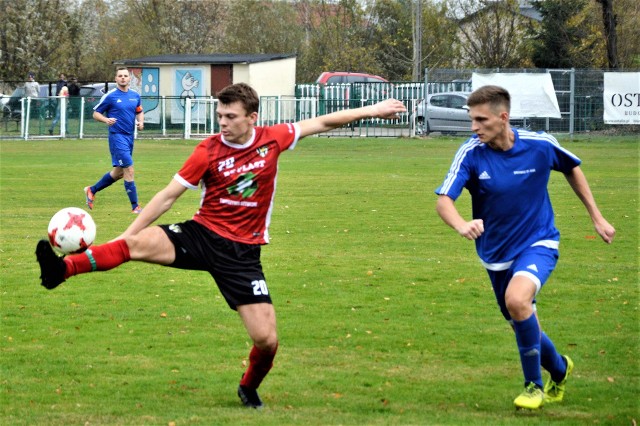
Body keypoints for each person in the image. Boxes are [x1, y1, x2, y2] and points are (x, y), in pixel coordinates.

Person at [36, 83, 406, 409]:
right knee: (134, 245)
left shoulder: (273, 138)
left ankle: (248, 387)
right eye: (220, 115)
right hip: (201, 235)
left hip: (243, 255)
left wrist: (372, 110)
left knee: (267, 340)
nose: (223, 123)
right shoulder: (208, 150)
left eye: (230, 116)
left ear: (252, 118)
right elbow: (167, 197)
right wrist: (126, 235)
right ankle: (60, 270)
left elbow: (323, 122)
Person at [434, 85, 615, 410]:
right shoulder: (471, 152)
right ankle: (559, 369)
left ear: (503, 117)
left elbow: (571, 167)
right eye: (471, 120)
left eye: (480, 120)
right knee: (518, 315)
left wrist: (597, 217)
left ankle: (534, 386)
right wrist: (462, 224)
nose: (474, 127)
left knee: (518, 301)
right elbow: (444, 200)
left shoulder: (539, 144)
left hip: (539, 241)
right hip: (495, 252)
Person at [85, 67, 144, 214]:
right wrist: (106, 119)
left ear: (129, 78)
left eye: (125, 76)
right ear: (116, 79)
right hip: (117, 137)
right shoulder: (111, 96)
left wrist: (141, 122)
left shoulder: (135, 95)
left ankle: (91, 190)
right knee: (129, 169)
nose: (123, 78)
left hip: (129, 137)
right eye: (120, 76)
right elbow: (95, 113)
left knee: (119, 173)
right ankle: (135, 207)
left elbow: (139, 111)